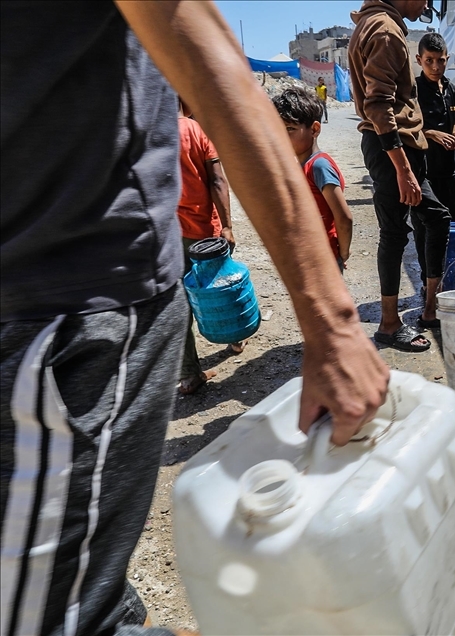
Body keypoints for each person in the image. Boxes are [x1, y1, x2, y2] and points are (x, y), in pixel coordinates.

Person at [0, 2, 389, 634]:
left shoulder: (301, 158)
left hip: (64, 303)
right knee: (77, 585)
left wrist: (334, 320)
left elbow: (215, 68)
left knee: (46, 615)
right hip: (50, 298)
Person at [349, 0, 451, 350]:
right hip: (392, 148)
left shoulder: (373, 23)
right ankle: (390, 324)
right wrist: (403, 169)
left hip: (395, 146)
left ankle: (429, 307)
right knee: (394, 233)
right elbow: (378, 104)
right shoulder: (386, 30)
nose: (426, 4)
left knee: (436, 219)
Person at [176, 99, 240, 395]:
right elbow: (217, 180)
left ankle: (189, 374)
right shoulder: (196, 131)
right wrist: (226, 226)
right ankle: (237, 338)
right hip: (203, 232)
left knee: (179, 302)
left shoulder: (148, 133)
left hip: (168, 235)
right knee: (223, 284)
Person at [273, 87, 354, 273]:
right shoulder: (301, 165)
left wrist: (343, 252)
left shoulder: (319, 166)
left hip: (322, 259)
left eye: (290, 129)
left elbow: (343, 217)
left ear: (315, 129)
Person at [416, 32, 455, 223]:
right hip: (425, 175)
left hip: (449, 172)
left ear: (447, 59)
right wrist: (432, 134)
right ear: (419, 60)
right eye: (429, 60)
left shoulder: (450, 88)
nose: (435, 67)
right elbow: (404, 131)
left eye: (440, 60)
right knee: (428, 229)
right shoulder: (414, 91)